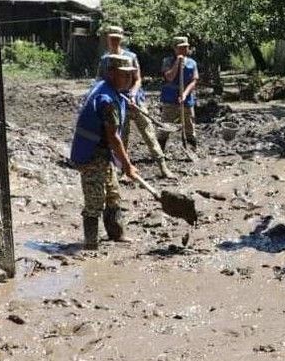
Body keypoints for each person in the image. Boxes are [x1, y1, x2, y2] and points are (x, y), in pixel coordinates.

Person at [69, 54, 141, 250]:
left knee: (113, 194)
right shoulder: (106, 100)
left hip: (104, 153)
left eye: (130, 76)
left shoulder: (113, 91)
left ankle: (116, 233)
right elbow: (114, 138)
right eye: (124, 75)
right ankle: (90, 243)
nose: (128, 79)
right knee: (95, 199)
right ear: (111, 74)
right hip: (91, 152)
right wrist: (127, 166)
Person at [96, 26, 173, 178]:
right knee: (122, 137)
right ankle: (125, 170)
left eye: (117, 38)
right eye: (112, 38)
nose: (114, 41)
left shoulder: (131, 57)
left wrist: (132, 94)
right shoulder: (105, 60)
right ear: (107, 39)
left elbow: (138, 79)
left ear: (122, 39)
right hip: (118, 104)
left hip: (135, 102)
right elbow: (99, 81)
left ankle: (163, 167)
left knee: (149, 134)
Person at [158, 36, 200, 153]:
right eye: (180, 48)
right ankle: (160, 151)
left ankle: (191, 149)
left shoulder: (192, 63)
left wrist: (185, 94)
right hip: (170, 99)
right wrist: (177, 63)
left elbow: (194, 80)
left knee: (189, 126)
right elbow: (169, 77)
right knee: (165, 126)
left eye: (185, 48)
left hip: (186, 99)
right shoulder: (167, 61)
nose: (183, 50)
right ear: (175, 49)